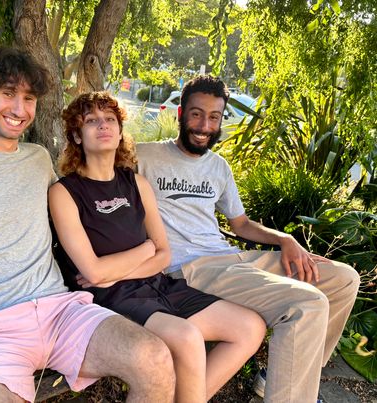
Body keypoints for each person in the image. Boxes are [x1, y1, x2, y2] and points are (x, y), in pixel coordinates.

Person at [0, 47, 176, 403]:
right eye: (8, 93)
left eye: (29, 98)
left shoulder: (38, 158)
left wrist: (122, 257)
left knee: (154, 358)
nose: (19, 109)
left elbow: (84, 207)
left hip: (62, 312)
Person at [136, 75, 360, 403]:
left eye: (214, 117)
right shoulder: (145, 156)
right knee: (308, 304)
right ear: (181, 113)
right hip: (193, 268)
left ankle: (288, 377)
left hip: (234, 259)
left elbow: (240, 223)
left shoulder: (219, 167)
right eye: (197, 114)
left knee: (343, 279)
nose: (204, 126)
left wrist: (285, 239)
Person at [49, 91, 266, 402]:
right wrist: (144, 249)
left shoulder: (137, 184)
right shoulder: (65, 192)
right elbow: (93, 274)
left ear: (120, 131)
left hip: (157, 284)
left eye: (110, 119)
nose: (103, 125)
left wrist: (123, 267)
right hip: (111, 298)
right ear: (76, 136)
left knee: (249, 327)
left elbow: (164, 255)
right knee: (187, 337)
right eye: (91, 121)